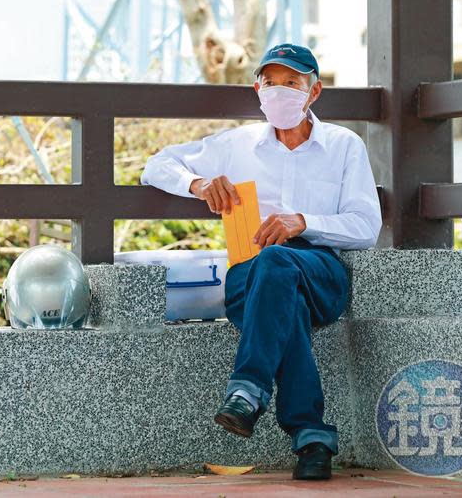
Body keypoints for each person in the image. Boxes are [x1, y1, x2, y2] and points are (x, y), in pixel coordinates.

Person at [140, 43, 382, 480]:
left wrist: (303, 222)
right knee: (277, 286)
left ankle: (250, 390)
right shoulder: (235, 145)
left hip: (320, 271)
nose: (280, 91)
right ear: (257, 89)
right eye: (270, 82)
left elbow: (366, 226)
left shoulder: (345, 146)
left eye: (292, 82)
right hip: (249, 277)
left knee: (279, 264)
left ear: (314, 91)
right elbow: (156, 164)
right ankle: (310, 436)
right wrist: (197, 183)